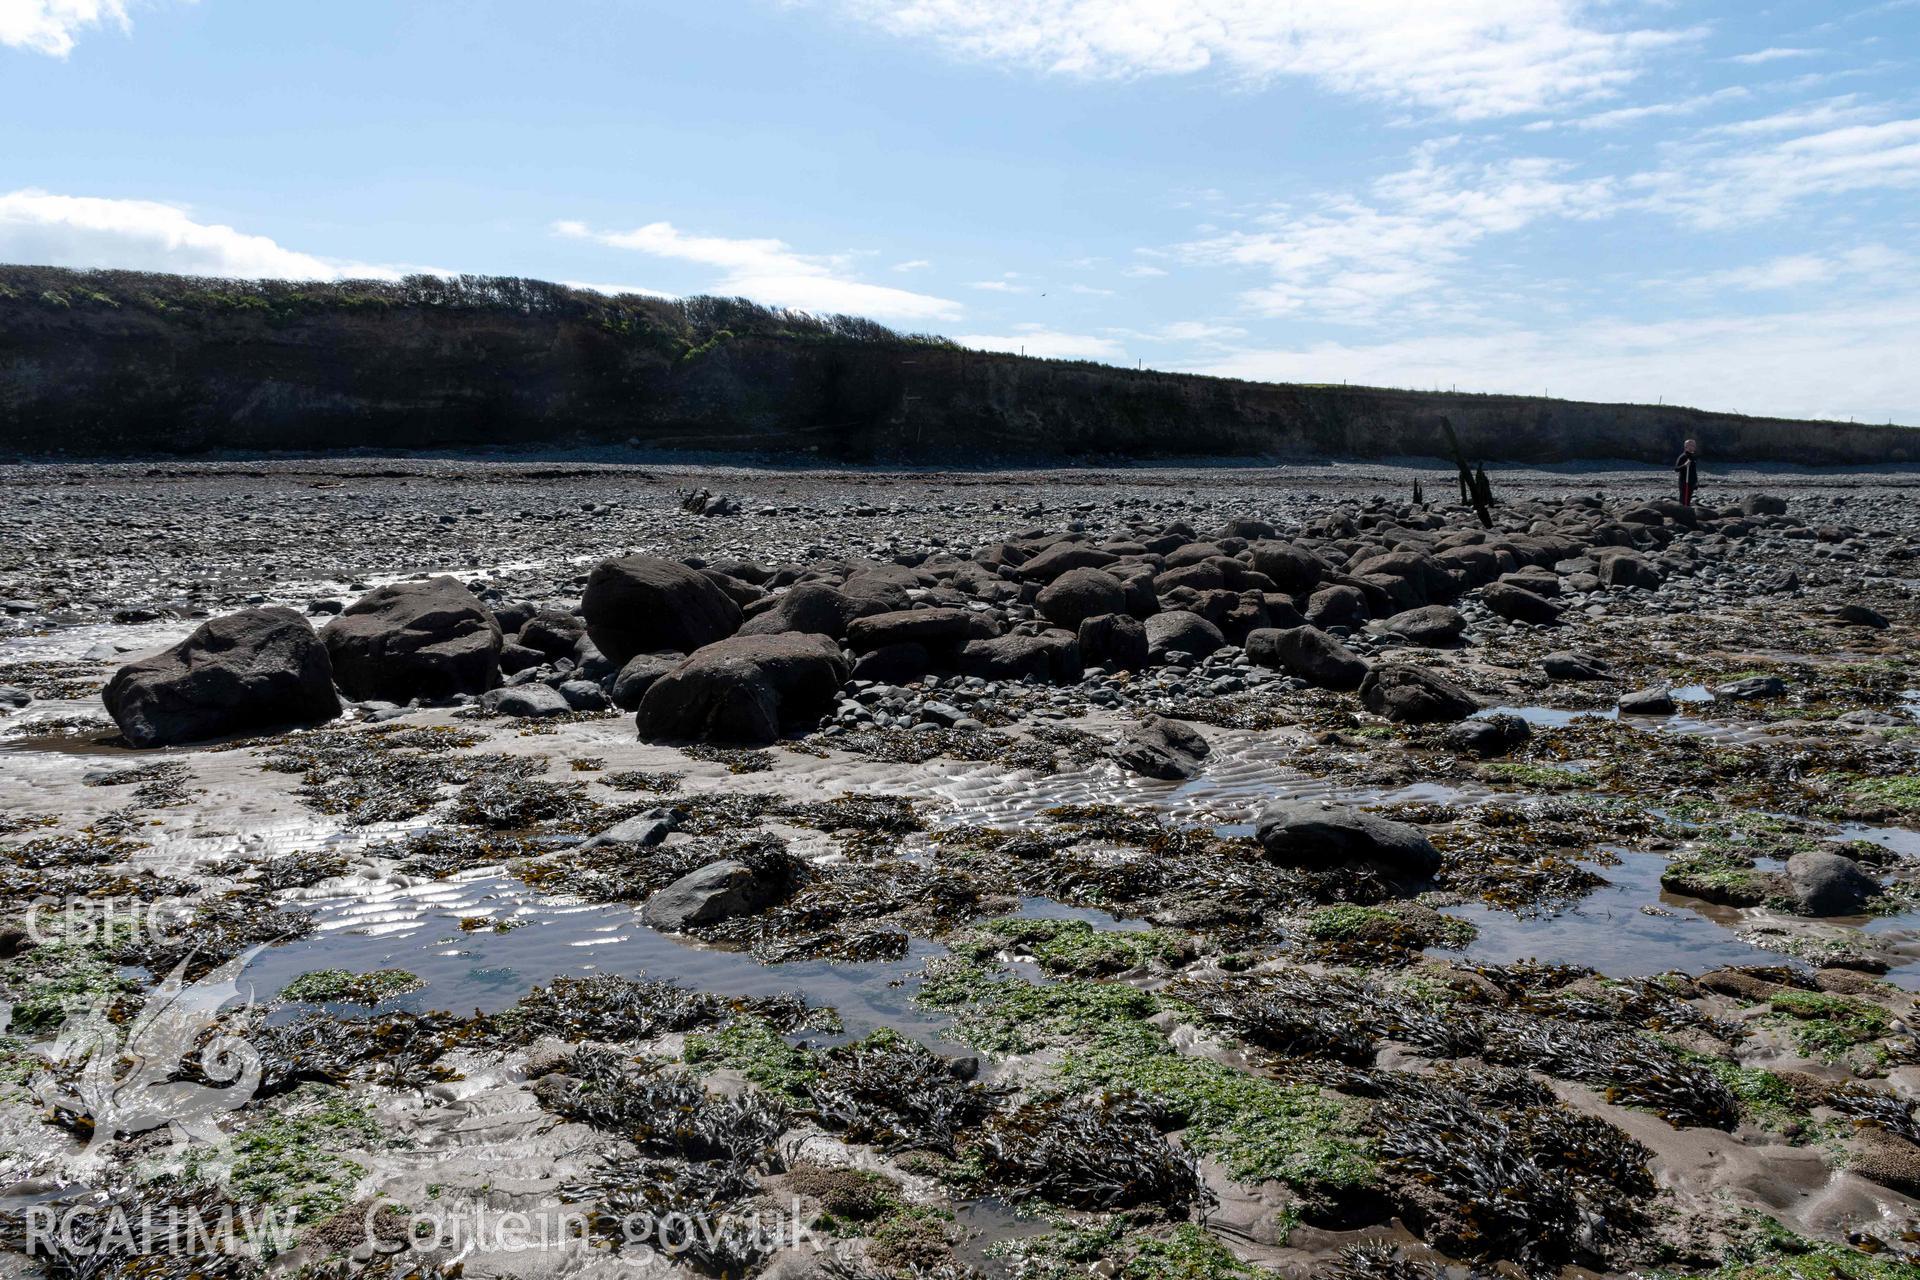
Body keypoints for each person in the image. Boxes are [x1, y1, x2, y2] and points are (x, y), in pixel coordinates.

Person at [1673, 438, 1699, 506]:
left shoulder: (1693, 456)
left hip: (1691, 482)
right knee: (1683, 500)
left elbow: (1694, 470)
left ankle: (1687, 513)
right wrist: (1685, 465)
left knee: (1688, 501)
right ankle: (1681, 514)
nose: (1693, 446)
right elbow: (1676, 469)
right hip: (1684, 482)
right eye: (1691, 445)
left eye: (1694, 445)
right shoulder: (1683, 456)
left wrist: (1696, 481)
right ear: (1686, 446)